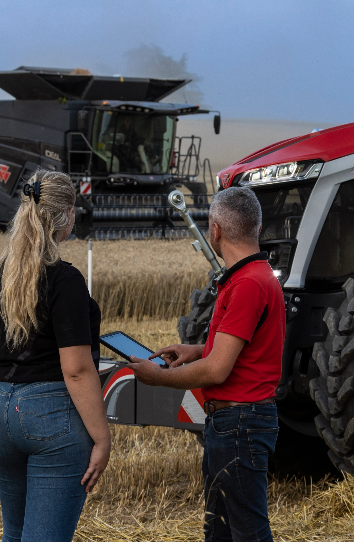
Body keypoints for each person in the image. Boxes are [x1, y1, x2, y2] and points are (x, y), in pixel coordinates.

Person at [128, 186, 285, 542]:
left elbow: (217, 370)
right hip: (236, 423)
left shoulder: (247, 284)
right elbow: (246, 348)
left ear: (215, 231)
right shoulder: (258, 276)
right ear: (257, 227)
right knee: (220, 531)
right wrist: (198, 350)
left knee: (247, 533)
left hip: (239, 425)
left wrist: (158, 378)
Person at [0, 170, 110, 542]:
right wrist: (102, 439)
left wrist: (18, 403)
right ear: (66, 215)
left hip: (1, 413)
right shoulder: (65, 281)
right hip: (53, 419)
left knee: (15, 534)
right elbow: (77, 370)